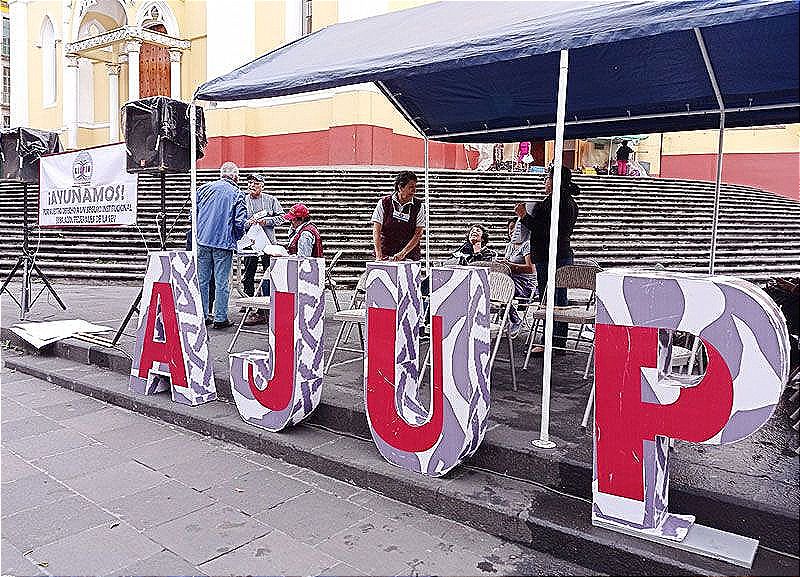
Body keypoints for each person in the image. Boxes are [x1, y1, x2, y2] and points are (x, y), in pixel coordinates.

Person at [515, 164, 579, 354]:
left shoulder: (554, 202)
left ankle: (549, 341)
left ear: (555, 181)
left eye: (548, 178)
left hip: (551, 254)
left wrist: (524, 216)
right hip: (561, 253)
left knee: (550, 299)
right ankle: (557, 341)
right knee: (559, 299)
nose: (545, 182)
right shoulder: (569, 202)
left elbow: (545, 229)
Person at [196, 161, 247, 329]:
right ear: (235, 176)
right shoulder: (237, 193)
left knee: (202, 281)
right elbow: (239, 222)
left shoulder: (203, 189)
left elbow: (193, 215)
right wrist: (238, 238)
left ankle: (203, 315)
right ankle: (220, 317)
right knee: (221, 282)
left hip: (202, 240)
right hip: (223, 243)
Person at [242, 173, 284, 298]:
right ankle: (247, 298)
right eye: (250, 183)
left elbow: (282, 217)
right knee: (249, 271)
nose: (252, 185)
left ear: (262, 186)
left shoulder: (271, 200)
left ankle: (269, 297)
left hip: (268, 243)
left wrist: (267, 221)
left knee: (269, 271)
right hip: (250, 243)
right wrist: (247, 223)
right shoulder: (243, 200)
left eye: (256, 183)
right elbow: (237, 220)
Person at [371, 171, 424, 262]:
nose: (414, 190)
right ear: (400, 187)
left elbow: (418, 233)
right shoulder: (384, 203)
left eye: (415, 187)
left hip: (409, 255)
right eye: (411, 187)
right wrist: (379, 255)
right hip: (386, 252)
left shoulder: (419, 206)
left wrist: (403, 253)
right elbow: (376, 231)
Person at [498, 217, 537, 338]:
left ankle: (513, 319)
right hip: (510, 280)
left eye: (514, 228)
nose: (511, 231)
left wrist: (510, 265)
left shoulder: (527, 244)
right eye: (509, 229)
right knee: (496, 284)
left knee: (501, 288)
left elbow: (531, 269)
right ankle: (508, 316)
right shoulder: (509, 245)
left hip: (525, 283)